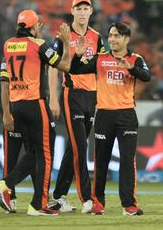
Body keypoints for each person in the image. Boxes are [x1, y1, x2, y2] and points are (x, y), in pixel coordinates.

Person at [67, 22, 150, 215]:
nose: (112, 39)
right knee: (101, 161)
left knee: (128, 161)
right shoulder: (100, 59)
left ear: (126, 39)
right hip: (104, 114)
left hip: (127, 115)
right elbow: (75, 70)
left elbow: (146, 76)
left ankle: (128, 204)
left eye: (117, 36)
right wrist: (77, 55)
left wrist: (130, 68)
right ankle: (98, 202)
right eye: (110, 35)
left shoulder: (135, 59)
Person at [0, 9, 71, 216]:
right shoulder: (38, 44)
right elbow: (64, 65)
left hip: (16, 106)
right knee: (45, 154)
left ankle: (6, 184)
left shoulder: (8, 46)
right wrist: (67, 43)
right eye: (38, 25)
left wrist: (6, 113)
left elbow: (4, 84)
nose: (40, 28)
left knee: (33, 153)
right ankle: (38, 205)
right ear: (32, 26)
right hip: (35, 105)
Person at [48, 0, 104, 213]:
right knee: (81, 146)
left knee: (74, 148)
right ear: (72, 11)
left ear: (91, 12)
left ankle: (58, 197)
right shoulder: (63, 36)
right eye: (78, 8)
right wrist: (53, 97)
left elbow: (100, 67)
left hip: (92, 96)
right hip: (72, 95)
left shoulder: (97, 37)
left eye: (86, 8)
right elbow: (53, 67)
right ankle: (86, 199)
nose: (82, 13)